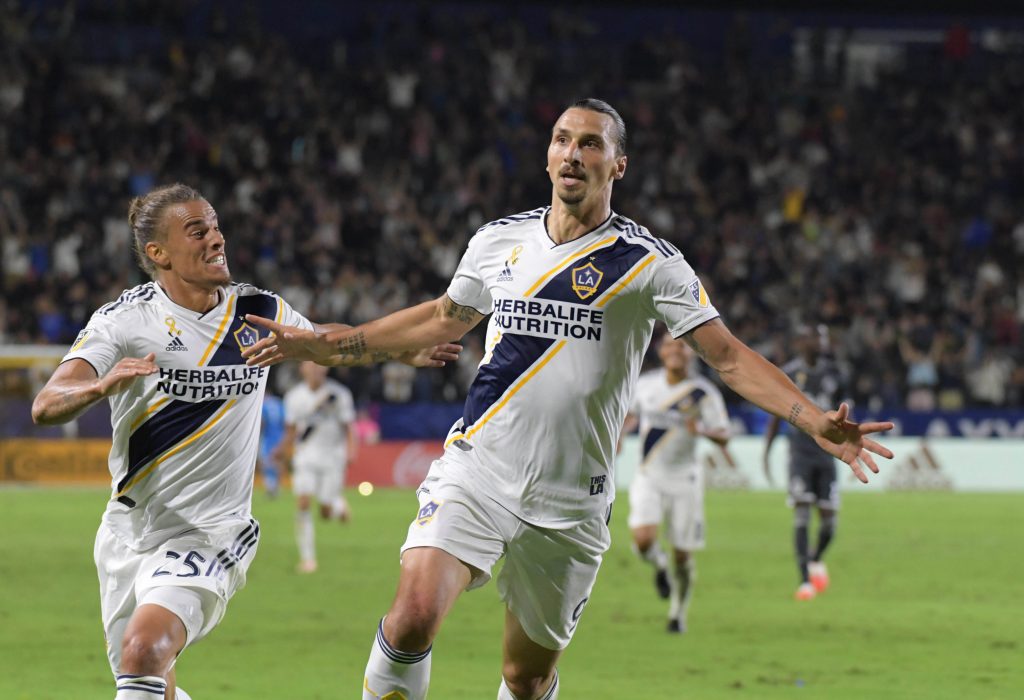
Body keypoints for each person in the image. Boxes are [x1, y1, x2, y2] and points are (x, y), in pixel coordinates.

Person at [242, 99, 894, 700]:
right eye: (561, 140)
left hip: (570, 500)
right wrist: (336, 344)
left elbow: (726, 355)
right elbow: (443, 317)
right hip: (480, 470)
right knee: (412, 615)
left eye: (589, 143)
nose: (573, 154)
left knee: (526, 679)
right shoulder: (499, 241)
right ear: (548, 155)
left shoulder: (649, 262)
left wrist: (810, 419)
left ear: (618, 163)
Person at [30, 183, 458, 700]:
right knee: (146, 681)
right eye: (197, 231)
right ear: (157, 253)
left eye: (215, 226)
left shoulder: (256, 310)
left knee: (143, 651)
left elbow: (323, 343)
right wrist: (98, 386)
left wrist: (394, 351)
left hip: (211, 534)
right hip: (126, 535)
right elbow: (47, 402)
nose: (216, 238)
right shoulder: (126, 320)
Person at [622, 334, 730, 634]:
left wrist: (704, 430)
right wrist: (619, 435)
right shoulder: (646, 384)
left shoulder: (702, 393)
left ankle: (677, 613)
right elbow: (630, 416)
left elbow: (724, 434)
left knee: (682, 555)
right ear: (661, 350)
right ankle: (659, 566)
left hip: (685, 480)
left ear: (692, 352)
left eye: (682, 345)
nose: (675, 350)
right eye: (670, 345)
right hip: (649, 474)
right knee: (643, 540)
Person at [763, 324, 849, 601]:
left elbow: (845, 415)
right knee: (801, 512)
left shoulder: (835, 374)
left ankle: (814, 558)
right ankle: (804, 581)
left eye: (824, 337)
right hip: (800, 452)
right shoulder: (788, 373)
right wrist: (767, 449)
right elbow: (777, 412)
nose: (822, 341)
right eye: (816, 337)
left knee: (829, 523)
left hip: (828, 453)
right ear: (802, 342)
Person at [281, 361, 358, 573]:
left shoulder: (338, 394)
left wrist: (352, 450)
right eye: (311, 365)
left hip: (333, 456)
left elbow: (349, 426)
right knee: (303, 502)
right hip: (305, 455)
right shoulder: (294, 397)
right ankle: (308, 559)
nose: (316, 369)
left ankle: (338, 505)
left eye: (320, 365)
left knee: (325, 511)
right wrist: (283, 451)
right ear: (302, 368)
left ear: (326, 368)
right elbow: (291, 429)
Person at [258, 391, 286, 498]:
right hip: (280, 436)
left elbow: (262, 422)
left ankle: (270, 486)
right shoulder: (279, 403)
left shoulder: (263, 404)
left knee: (266, 461)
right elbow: (285, 420)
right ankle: (277, 487)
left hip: (268, 438)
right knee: (277, 461)